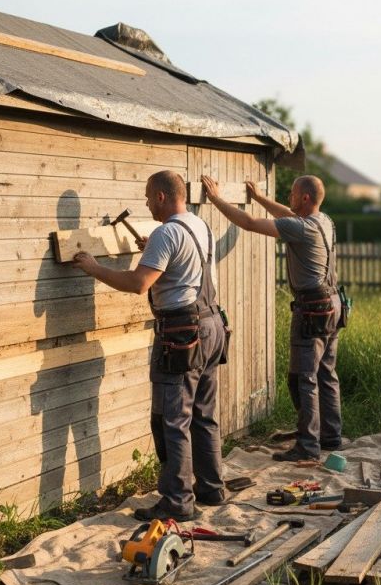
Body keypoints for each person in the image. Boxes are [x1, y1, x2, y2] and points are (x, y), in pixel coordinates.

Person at [73, 170, 228, 522]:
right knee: (203, 414)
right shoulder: (199, 226)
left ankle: (177, 501)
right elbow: (184, 268)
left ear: (161, 196)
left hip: (181, 334)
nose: (145, 203)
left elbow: (139, 283)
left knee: (173, 421)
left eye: (147, 196)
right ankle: (212, 487)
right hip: (212, 325)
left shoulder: (166, 233)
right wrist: (155, 253)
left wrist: (94, 268)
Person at [200, 173, 342, 461]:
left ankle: (307, 446)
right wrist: (259, 198)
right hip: (333, 303)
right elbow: (288, 214)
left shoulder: (301, 228)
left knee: (303, 379)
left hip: (312, 309)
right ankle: (330, 437)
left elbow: (250, 223)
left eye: (292, 193)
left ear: (305, 198)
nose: (289, 197)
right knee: (326, 373)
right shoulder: (324, 221)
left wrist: (216, 199)